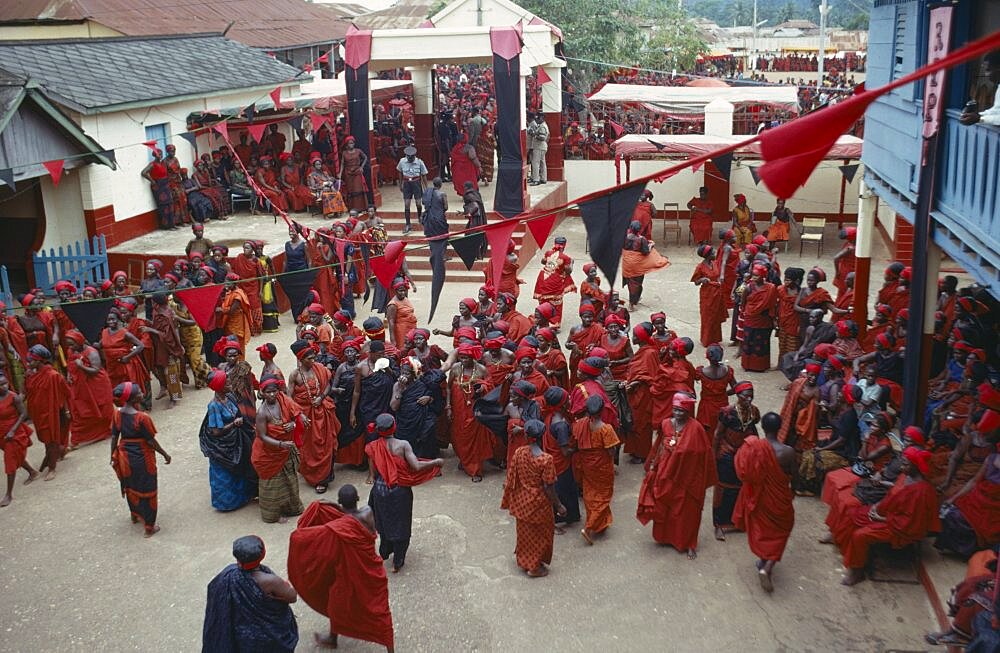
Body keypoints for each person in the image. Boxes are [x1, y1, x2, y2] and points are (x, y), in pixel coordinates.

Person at [287, 487, 395, 652]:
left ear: (339, 502)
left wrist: (297, 537)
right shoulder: (367, 512)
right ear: (358, 498)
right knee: (378, 610)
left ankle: (333, 638)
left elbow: (314, 539)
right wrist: (333, 504)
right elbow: (351, 514)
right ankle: (388, 648)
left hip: (349, 572)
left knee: (337, 605)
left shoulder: (337, 526)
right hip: (371, 569)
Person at [822, 446, 940, 585]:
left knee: (860, 535)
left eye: (906, 464)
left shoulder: (922, 492)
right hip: (887, 512)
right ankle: (841, 543)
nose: (902, 467)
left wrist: (881, 518)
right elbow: (894, 494)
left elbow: (910, 522)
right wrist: (878, 506)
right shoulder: (906, 475)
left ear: (916, 466)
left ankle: (857, 571)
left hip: (898, 527)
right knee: (850, 514)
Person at [637, 393, 717, 559]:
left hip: (688, 479)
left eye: (682, 410)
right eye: (675, 410)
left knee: (688, 512)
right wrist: (653, 466)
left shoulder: (697, 429)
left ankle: (689, 543)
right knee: (665, 507)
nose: (678, 413)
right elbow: (659, 446)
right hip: (666, 474)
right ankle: (665, 538)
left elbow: (705, 455)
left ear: (688, 411)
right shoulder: (666, 424)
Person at [365, 413, 443, 572]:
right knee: (401, 523)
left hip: (380, 489)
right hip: (399, 490)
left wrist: (374, 478)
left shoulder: (373, 446)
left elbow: (372, 473)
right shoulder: (403, 445)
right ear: (394, 427)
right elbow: (416, 467)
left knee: (384, 520)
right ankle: (398, 562)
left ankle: (385, 551)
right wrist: (436, 462)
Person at [202, 534, 299, 653]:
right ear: (262, 555)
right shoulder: (270, 581)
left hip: (241, 636)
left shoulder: (227, 575)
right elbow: (292, 597)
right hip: (268, 637)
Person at [732, 412, 796, 593]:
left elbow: (744, 470)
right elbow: (795, 476)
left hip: (760, 496)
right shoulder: (788, 451)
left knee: (764, 528)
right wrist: (793, 491)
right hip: (779, 496)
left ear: (763, 428)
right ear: (780, 427)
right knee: (783, 529)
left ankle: (763, 559)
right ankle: (766, 568)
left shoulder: (755, 447)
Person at [501, 418, 565, 577]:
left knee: (525, 533)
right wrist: (559, 506)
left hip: (521, 502)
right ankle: (534, 567)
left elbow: (512, 477)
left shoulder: (519, 452)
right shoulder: (546, 459)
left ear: (527, 436)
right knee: (541, 535)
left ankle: (524, 561)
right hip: (539, 505)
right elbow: (549, 487)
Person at [110, 382, 171, 537]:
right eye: (139, 393)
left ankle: (135, 514)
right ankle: (149, 526)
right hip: (142, 457)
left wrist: (113, 455)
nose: (142, 393)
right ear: (133, 398)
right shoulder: (142, 418)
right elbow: (151, 441)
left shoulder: (117, 414)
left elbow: (114, 437)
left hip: (125, 457)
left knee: (130, 485)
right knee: (148, 488)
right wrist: (165, 454)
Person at [200, 370, 258, 512]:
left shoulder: (229, 397)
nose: (229, 383)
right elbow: (215, 431)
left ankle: (243, 496)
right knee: (225, 474)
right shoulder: (214, 406)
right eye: (226, 382)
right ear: (219, 387)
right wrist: (234, 424)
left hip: (235, 440)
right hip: (223, 445)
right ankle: (227, 503)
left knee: (241, 467)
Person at [252, 375, 305, 523]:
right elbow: (262, 436)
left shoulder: (283, 401)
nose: (272, 394)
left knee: (289, 479)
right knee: (273, 484)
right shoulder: (262, 413)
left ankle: (291, 508)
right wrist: (280, 444)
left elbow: (295, 415)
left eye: (274, 391)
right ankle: (273, 514)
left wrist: (293, 425)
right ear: (262, 392)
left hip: (285, 449)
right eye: (268, 392)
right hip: (270, 453)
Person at [288, 340, 339, 495]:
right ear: (301, 359)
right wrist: (300, 414)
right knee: (309, 447)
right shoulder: (295, 375)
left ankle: (323, 479)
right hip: (305, 416)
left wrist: (322, 397)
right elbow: (289, 398)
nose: (313, 361)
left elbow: (328, 385)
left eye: (313, 357)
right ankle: (312, 475)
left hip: (322, 412)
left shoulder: (320, 369)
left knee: (325, 444)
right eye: (309, 358)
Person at [574, 394, 620, 545]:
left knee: (590, 493)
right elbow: (611, 451)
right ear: (602, 411)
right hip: (602, 468)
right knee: (603, 496)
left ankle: (600, 523)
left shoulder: (580, 423)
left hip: (587, 466)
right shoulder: (606, 429)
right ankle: (589, 527)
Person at [446, 343, 495, 482]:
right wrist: (448, 406)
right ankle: (464, 459)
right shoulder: (455, 369)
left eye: (466, 358)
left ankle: (476, 469)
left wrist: (482, 389)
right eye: (461, 357)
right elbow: (449, 388)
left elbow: (490, 386)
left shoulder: (481, 370)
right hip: (459, 410)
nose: (463, 360)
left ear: (472, 357)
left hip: (475, 409)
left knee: (476, 440)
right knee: (459, 437)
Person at [25, 345, 69, 481]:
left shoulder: (53, 376)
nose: (29, 363)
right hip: (38, 414)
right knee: (45, 439)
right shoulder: (31, 375)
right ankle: (53, 455)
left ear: (39, 361)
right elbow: (28, 393)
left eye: (31, 361)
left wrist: (66, 411)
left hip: (52, 414)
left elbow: (65, 393)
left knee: (52, 440)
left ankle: (52, 468)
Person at [63, 330, 113, 448]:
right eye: (69, 344)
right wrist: (69, 376)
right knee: (80, 412)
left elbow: (96, 370)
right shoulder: (71, 351)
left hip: (96, 384)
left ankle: (108, 430)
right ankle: (77, 439)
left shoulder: (91, 352)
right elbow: (70, 365)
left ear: (79, 341)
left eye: (72, 344)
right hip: (80, 387)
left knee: (103, 409)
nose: (71, 347)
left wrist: (82, 367)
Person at [0, 374, 38, 506]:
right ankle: (32, 472)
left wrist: (12, 430)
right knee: (16, 456)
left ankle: (8, 494)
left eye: (5, 383)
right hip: (2, 434)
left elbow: (23, 414)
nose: (4, 386)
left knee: (9, 460)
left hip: (15, 433)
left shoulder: (13, 397)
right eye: (1, 384)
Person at [621, 220, 670, 310]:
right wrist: (651, 245)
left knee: (630, 283)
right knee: (637, 283)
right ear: (639, 229)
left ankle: (633, 301)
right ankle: (632, 303)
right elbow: (645, 252)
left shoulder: (625, 237)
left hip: (627, 264)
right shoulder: (641, 239)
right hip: (637, 265)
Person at [740, 264, 777, 372]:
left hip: (764, 320)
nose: (754, 278)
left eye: (757, 276)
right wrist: (750, 311)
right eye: (753, 275)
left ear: (763, 276)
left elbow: (774, 304)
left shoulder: (771, 288)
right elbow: (743, 302)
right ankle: (747, 364)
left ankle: (760, 366)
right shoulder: (748, 287)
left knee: (762, 342)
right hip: (751, 319)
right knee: (748, 341)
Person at [691, 245, 727, 347]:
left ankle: (715, 339)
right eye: (713, 253)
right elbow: (695, 282)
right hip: (707, 295)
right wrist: (702, 280)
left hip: (717, 294)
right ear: (707, 255)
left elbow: (717, 276)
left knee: (716, 317)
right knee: (707, 317)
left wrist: (720, 281)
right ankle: (706, 340)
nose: (715, 254)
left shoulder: (714, 264)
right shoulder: (700, 267)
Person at [232, 242, 264, 337]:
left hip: (253, 288)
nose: (245, 249)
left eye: (247, 248)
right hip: (241, 287)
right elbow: (234, 271)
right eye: (244, 247)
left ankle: (257, 329)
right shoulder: (239, 258)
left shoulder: (256, 261)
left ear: (252, 250)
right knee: (244, 307)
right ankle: (247, 330)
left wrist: (260, 290)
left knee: (255, 307)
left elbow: (261, 276)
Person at [396, 146, 427, 234]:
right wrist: (400, 183)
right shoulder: (402, 161)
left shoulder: (419, 162)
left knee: (418, 203)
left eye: (412, 157)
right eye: (408, 157)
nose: (410, 158)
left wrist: (426, 188)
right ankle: (408, 224)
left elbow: (424, 175)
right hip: (406, 183)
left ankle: (420, 216)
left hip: (416, 182)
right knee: (406, 204)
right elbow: (400, 172)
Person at [339, 136, 369, 212]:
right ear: (347, 144)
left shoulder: (358, 151)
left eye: (352, 143)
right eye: (350, 143)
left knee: (358, 188)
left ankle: (361, 207)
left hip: (357, 171)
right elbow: (342, 163)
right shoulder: (344, 153)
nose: (351, 144)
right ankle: (352, 208)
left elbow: (365, 157)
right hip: (348, 173)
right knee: (351, 190)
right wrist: (340, 173)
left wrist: (361, 166)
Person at [385, 280, 417, 349]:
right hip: (401, 331)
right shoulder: (392, 305)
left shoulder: (405, 299)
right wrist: (393, 339)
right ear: (395, 291)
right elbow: (391, 322)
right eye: (400, 291)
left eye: (404, 290)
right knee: (403, 348)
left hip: (411, 329)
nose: (403, 293)